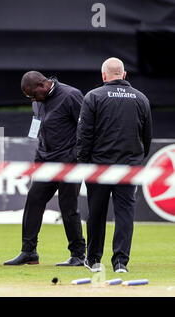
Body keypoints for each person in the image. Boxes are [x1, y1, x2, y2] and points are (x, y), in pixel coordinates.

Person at [77, 57, 152, 273]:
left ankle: (94, 260)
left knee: (96, 213)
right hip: (129, 167)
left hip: (98, 167)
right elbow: (146, 137)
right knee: (125, 214)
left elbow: (84, 135)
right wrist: (137, 159)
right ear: (124, 74)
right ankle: (120, 262)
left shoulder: (93, 97)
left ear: (103, 75)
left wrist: (84, 162)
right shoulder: (141, 99)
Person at [4, 71, 86, 266]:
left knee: (68, 208)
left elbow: (86, 128)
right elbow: (39, 130)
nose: (32, 99)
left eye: (33, 94)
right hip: (45, 162)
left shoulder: (71, 95)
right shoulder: (37, 101)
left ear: (43, 85)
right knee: (33, 201)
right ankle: (29, 252)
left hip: (69, 164)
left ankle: (78, 255)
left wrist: (76, 157)